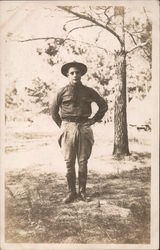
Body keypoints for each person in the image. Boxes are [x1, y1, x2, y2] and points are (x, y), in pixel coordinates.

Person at [51, 61, 108, 203]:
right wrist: (63, 126)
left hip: (84, 127)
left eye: (77, 72)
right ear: (67, 75)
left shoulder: (89, 91)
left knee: (83, 162)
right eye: (72, 73)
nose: (75, 75)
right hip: (67, 127)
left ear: (81, 74)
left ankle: (82, 192)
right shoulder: (61, 91)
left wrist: (93, 120)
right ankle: (71, 193)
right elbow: (53, 112)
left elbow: (103, 105)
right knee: (69, 162)